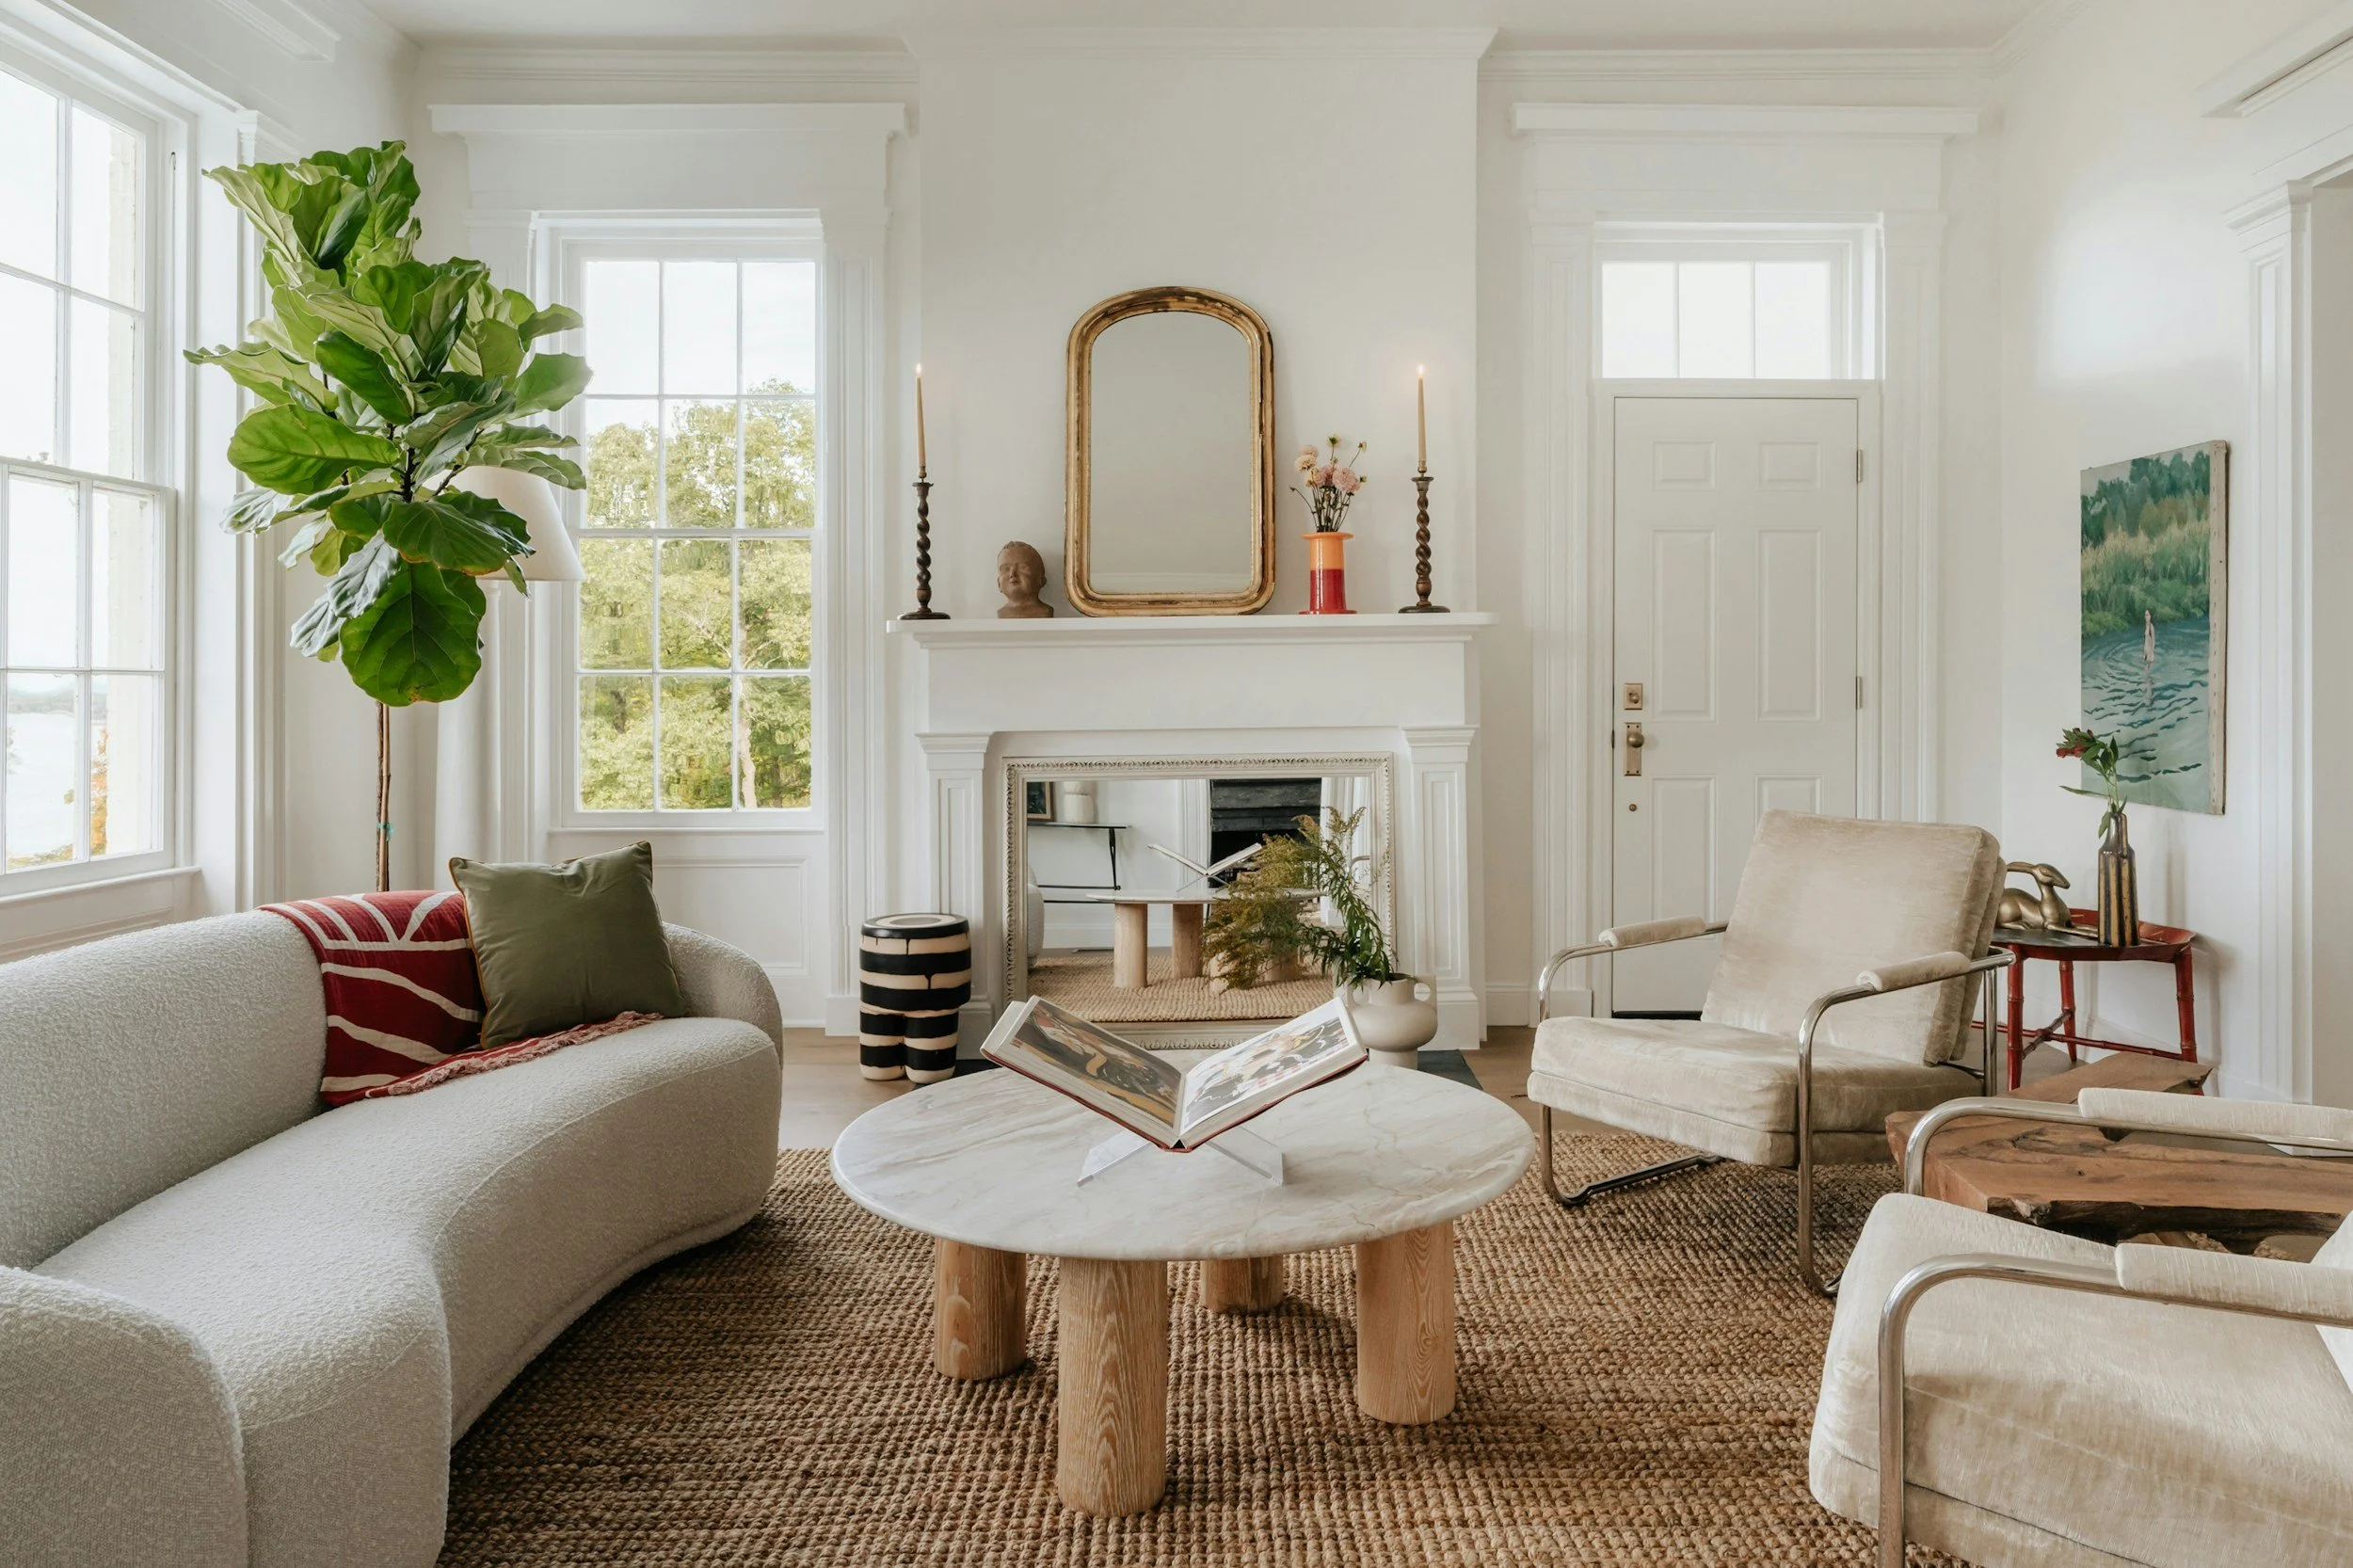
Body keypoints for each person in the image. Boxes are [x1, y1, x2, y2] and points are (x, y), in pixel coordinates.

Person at [996, 539, 1054, 618]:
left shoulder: (1045, 611)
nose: (1012, 574)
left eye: (1022, 568)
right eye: (1006, 569)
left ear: (1041, 580)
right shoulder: (1002, 613)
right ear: (998, 583)